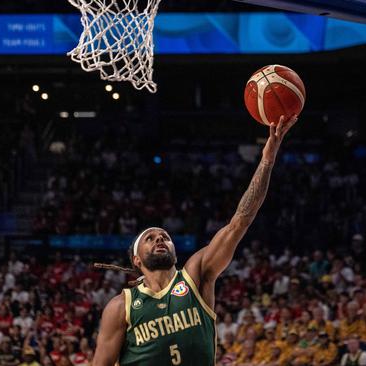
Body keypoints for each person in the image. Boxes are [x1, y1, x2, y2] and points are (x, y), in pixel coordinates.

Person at [92, 115, 298, 366]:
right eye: (150, 238)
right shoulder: (120, 307)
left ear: (175, 252)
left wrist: (267, 159)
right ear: (136, 259)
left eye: (165, 237)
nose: (160, 238)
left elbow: (240, 221)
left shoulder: (195, 276)